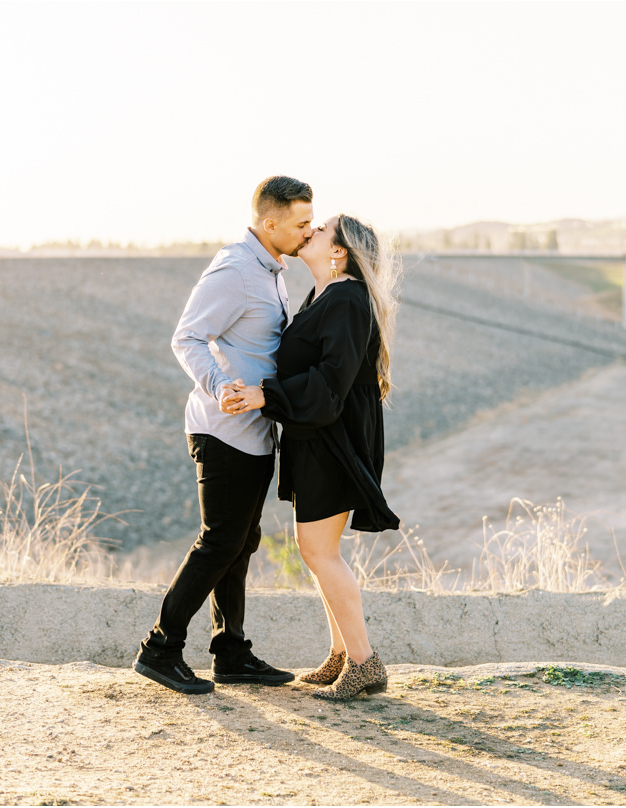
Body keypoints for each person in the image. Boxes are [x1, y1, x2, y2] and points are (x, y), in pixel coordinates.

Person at [133, 176, 314, 695]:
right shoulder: (236, 268)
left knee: (242, 543)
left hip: (256, 431)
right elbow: (186, 336)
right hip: (223, 429)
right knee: (218, 542)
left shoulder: (273, 269)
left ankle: (230, 652)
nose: (307, 231)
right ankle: (160, 648)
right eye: (300, 223)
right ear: (269, 222)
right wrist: (218, 385)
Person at [222, 213, 401, 701]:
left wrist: (266, 396)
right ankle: (342, 655)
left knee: (320, 551)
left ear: (339, 251)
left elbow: (331, 383)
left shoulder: (345, 297)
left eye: (320, 229)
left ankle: (364, 663)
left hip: (332, 438)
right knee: (316, 550)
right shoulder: (324, 295)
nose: (310, 232)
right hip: (316, 435)